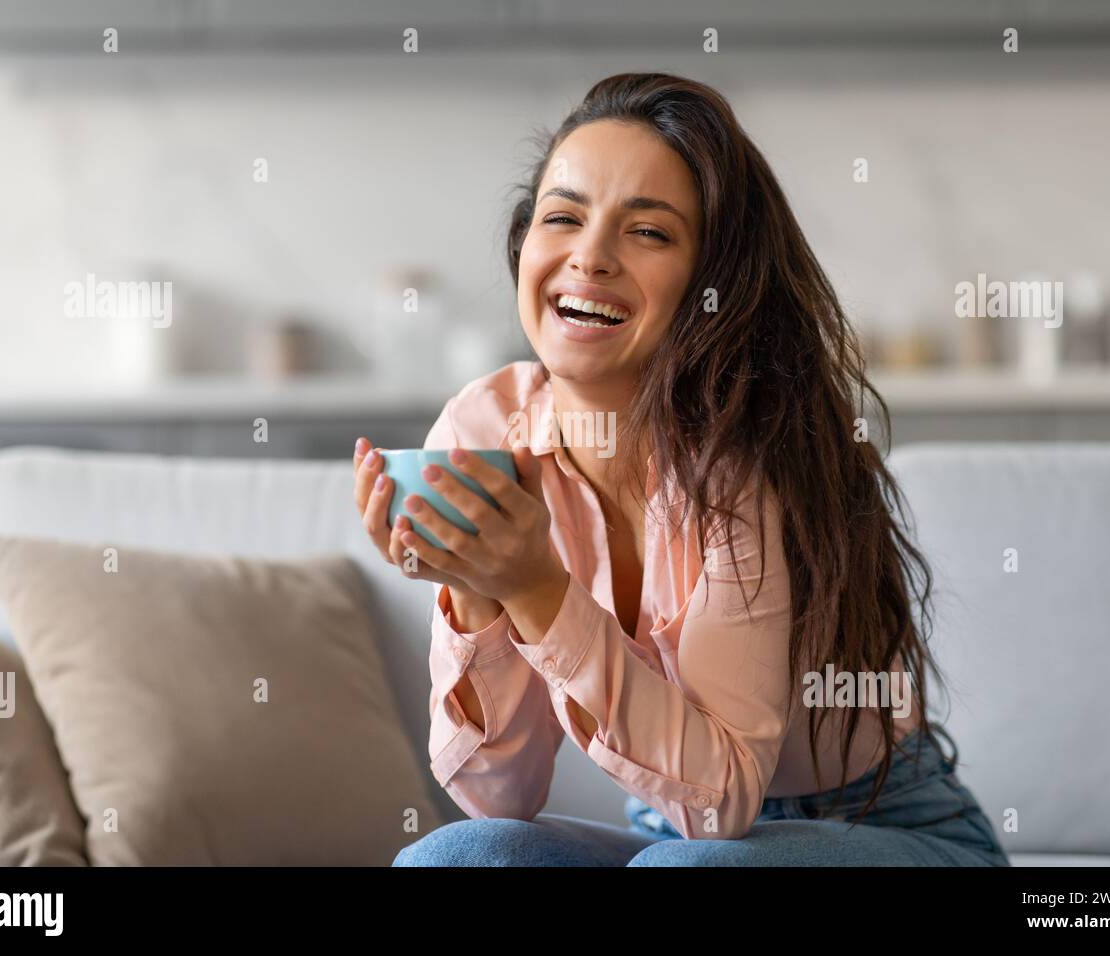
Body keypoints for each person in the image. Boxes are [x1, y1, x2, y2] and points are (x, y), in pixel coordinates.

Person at [358, 72, 1009, 866]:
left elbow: (726, 800)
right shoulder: (483, 428)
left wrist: (536, 586)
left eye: (649, 233)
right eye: (562, 217)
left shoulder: (744, 459)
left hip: (883, 827)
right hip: (673, 836)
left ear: (714, 283)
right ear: (525, 244)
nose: (589, 257)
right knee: (454, 857)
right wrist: (474, 584)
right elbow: (502, 795)